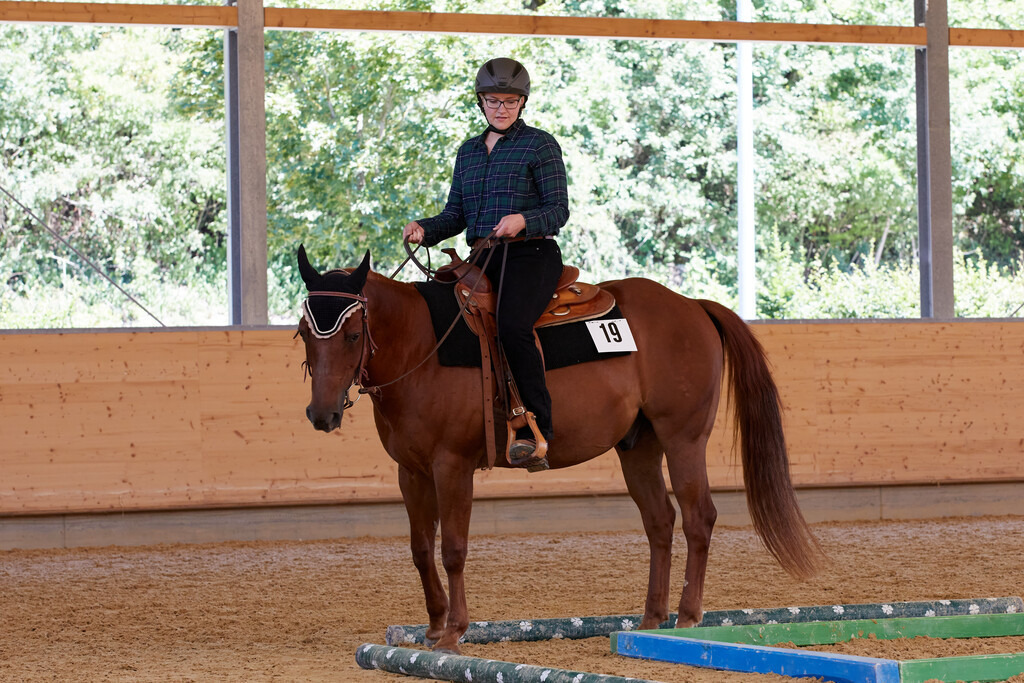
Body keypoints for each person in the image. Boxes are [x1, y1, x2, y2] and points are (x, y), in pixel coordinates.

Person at [403, 57, 569, 471]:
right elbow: (455, 215)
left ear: (522, 103)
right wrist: (424, 228)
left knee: (513, 328)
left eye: (510, 101)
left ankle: (536, 427)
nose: (502, 108)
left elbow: (559, 209)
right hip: (481, 258)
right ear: (481, 102)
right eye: (493, 100)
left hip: (530, 254)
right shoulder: (468, 153)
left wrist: (524, 219)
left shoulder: (540, 145)